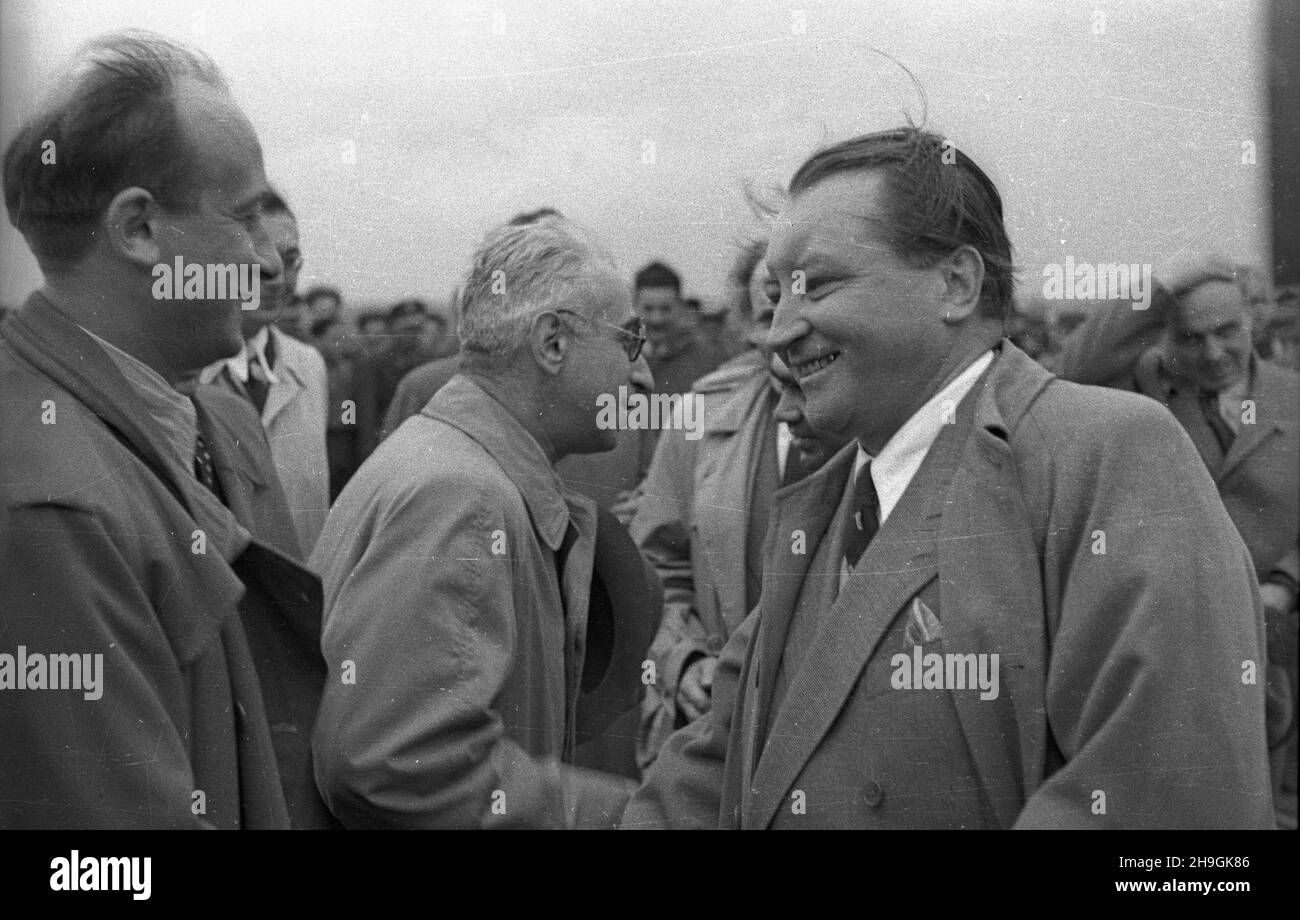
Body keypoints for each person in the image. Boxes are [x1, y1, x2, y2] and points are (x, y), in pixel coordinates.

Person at [623, 127, 1273, 829]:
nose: (777, 332)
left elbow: (1174, 819)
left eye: (818, 286)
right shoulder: (824, 511)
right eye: (775, 296)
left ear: (956, 285)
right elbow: (716, 767)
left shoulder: (1115, 456)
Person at [0, 30, 325, 828]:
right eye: (245, 219)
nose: (272, 264)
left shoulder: (203, 419)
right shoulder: (48, 501)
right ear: (139, 230)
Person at [312, 215, 654, 827]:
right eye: (628, 342)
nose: (644, 376)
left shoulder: (446, 462)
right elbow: (400, 766)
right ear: (552, 343)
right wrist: (628, 816)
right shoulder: (461, 496)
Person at [1057, 257, 1299, 827]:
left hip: (1276, 631)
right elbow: (1073, 367)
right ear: (1165, 335)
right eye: (1190, 338)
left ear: (1254, 322)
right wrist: (1162, 286)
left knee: (1273, 789)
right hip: (1166, 631)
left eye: (1226, 332)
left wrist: (1285, 585)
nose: (1212, 354)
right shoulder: (1143, 389)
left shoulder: (1294, 398)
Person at [629, 237, 850, 768]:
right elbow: (656, 565)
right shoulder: (699, 418)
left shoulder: (895, 421)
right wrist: (679, 660)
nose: (787, 334)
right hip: (725, 738)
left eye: (809, 308)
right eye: (769, 313)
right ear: (749, 326)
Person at [197, 191, 331, 554]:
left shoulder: (308, 365)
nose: (276, 276)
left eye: (290, 260)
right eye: (255, 259)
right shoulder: (183, 372)